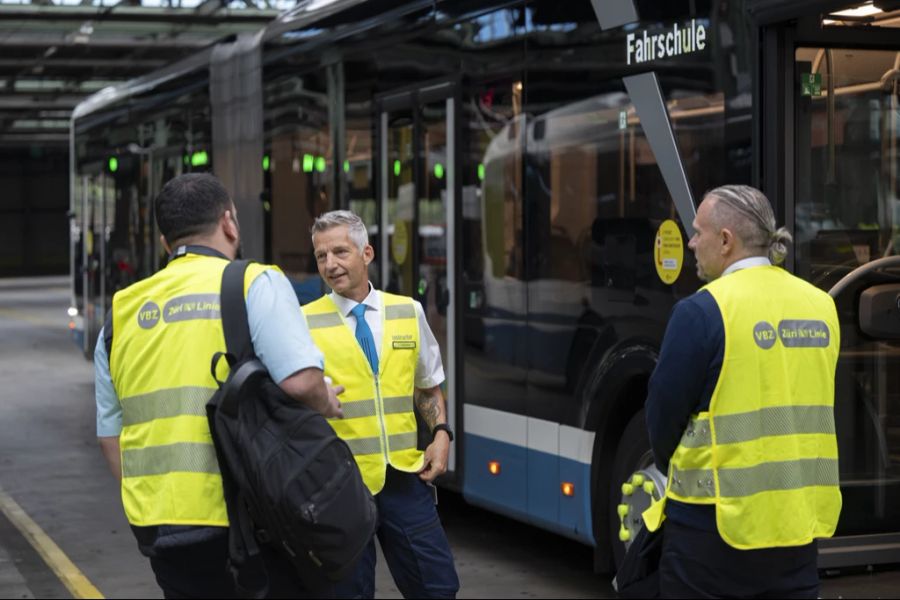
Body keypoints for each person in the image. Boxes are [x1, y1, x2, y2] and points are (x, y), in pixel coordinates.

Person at [94, 173, 343, 599]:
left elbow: (110, 436)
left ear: (163, 241)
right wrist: (327, 401)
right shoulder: (253, 282)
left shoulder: (122, 311)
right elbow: (301, 381)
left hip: (160, 525)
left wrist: (152, 504)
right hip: (244, 517)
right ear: (228, 223)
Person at [643, 185, 842, 599]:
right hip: (798, 530)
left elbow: (662, 418)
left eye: (698, 232)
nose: (692, 243)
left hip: (712, 534)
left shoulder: (701, 312)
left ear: (726, 241)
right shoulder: (821, 306)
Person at [303, 210, 459, 599]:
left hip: (404, 479)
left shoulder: (408, 311)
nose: (330, 264)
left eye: (340, 251)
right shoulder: (302, 322)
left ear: (366, 252)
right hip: (339, 485)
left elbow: (427, 387)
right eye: (322, 256)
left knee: (437, 588)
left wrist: (441, 434)